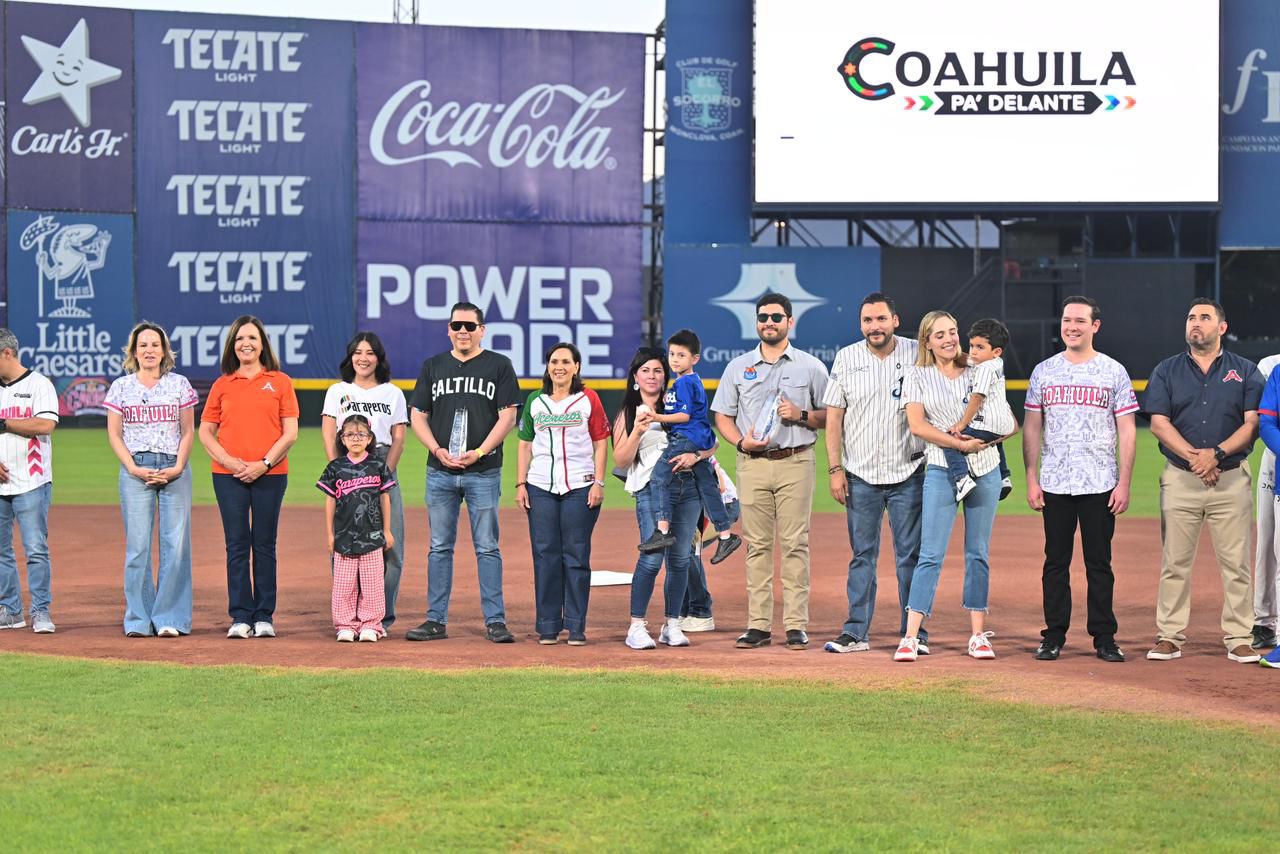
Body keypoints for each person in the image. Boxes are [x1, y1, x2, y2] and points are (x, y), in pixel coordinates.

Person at [1145, 299, 1264, 664]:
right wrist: (1198, 458)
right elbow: (1158, 423)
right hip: (1181, 478)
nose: (1195, 323)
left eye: (1204, 318)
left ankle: (1239, 637)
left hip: (1230, 479)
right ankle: (1169, 636)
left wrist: (1217, 453)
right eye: (1191, 317)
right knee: (1175, 563)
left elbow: (1252, 424)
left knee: (1237, 565)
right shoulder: (1166, 370)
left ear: (1221, 328)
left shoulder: (1245, 371)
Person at [712, 293, 829, 650]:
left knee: (795, 544)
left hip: (796, 461)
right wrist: (740, 442)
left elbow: (830, 416)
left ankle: (795, 625)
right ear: (757, 322)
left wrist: (801, 415)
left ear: (790, 321)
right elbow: (723, 416)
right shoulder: (738, 367)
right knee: (757, 546)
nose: (769, 323)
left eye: (776, 317)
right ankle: (758, 625)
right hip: (753, 464)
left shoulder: (811, 366)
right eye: (763, 317)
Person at [894, 311, 1012, 662]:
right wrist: (959, 443)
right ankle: (910, 637)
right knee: (930, 554)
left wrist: (981, 440)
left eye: (952, 331)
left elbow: (1008, 422)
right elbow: (918, 426)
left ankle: (977, 635)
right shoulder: (917, 375)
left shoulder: (980, 367)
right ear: (927, 342)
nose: (949, 339)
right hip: (942, 469)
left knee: (978, 552)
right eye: (940, 334)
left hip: (986, 468)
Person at [1023, 296, 1136, 663]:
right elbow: (1032, 426)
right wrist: (1031, 477)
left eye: (1079, 321)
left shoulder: (1113, 371)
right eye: (1067, 320)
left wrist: (1124, 482)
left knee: (1099, 564)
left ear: (1095, 326)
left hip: (1100, 481)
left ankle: (1104, 638)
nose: (1071, 327)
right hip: (1055, 481)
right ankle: (1053, 635)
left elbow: (1127, 429)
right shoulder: (1044, 371)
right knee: (1055, 562)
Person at [405, 302, 520, 644]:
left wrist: (481, 451)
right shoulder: (433, 366)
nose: (463, 331)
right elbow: (418, 414)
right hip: (440, 471)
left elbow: (509, 416)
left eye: (470, 326)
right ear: (449, 330)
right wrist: (436, 450)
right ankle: (435, 620)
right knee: (439, 546)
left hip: (483, 470)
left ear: (482, 330)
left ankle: (495, 621)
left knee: (487, 547)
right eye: (457, 325)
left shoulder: (498, 365)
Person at [822, 292, 925, 655]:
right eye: (867, 320)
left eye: (881, 319)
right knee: (862, 555)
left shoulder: (918, 353)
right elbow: (834, 417)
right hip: (860, 475)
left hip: (908, 471)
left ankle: (914, 634)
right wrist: (835, 469)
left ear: (895, 320)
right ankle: (855, 633)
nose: (874, 326)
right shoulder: (847, 357)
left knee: (909, 557)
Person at [198, 315, 299, 640]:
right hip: (228, 476)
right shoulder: (223, 384)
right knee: (237, 544)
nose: (246, 344)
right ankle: (241, 615)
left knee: (265, 544)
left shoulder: (280, 382)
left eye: (252, 338)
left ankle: (264, 615)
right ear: (232, 345)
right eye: (240, 338)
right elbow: (205, 431)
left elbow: (290, 433)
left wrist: (263, 464)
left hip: (271, 473)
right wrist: (230, 462)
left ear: (262, 344)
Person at [104, 322, 198, 638]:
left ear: (164, 350)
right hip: (136, 468)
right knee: (137, 547)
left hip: (173, 466)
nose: (149, 350)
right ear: (134, 351)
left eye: (155, 344)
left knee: (176, 545)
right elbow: (114, 434)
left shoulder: (179, 384)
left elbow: (188, 431)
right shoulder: (121, 387)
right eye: (143, 345)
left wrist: (179, 466)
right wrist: (132, 467)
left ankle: (170, 617)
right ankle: (139, 618)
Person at [515, 342, 609, 645]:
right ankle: (548, 624)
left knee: (576, 554)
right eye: (554, 361)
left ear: (576, 367)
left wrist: (598, 482)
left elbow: (600, 442)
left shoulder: (588, 398)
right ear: (547, 366)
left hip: (580, 485)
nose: (560, 367)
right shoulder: (535, 400)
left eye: (566, 362)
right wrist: (520, 484)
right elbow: (525, 444)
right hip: (540, 485)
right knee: (545, 554)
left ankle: (576, 625)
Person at [614, 347, 707, 649]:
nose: (652, 376)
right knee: (652, 558)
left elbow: (711, 441)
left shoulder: (679, 404)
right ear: (635, 377)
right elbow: (621, 460)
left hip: (687, 489)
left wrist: (696, 456)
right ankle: (636, 626)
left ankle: (672, 625)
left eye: (658, 370)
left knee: (680, 559)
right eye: (645, 371)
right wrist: (637, 432)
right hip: (651, 492)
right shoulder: (629, 412)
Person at [321, 332, 408, 635]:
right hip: (345, 465)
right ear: (350, 357)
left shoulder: (392, 393)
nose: (363, 358)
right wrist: (340, 470)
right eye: (358, 352)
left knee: (390, 546)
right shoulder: (338, 391)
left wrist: (381, 475)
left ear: (378, 358)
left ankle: (379, 619)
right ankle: (347, 618)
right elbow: (328, 432)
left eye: (370, 352)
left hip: (381, 463)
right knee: (344, 545)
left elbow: (398, 438)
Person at [639, 329, 742, 565]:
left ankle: (662, 531)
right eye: (672, 354)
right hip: (700, 437)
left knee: (658, 477)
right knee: (707, 486)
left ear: (694, 358)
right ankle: (725, 535)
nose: (675, 359)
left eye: (681, 355)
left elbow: (684, 417)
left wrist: (656, 417)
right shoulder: (689, 381)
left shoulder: (685, 382)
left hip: (686, 437)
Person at [317, 414, 396, 643]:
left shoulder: (377, 465)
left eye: (361, 434)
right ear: (342, 439)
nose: (356, 439)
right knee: (344, 585)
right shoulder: (336, 467)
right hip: (344, 536)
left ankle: (371, 624)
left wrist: (387, 530)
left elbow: (385, 497)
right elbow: (330, 500)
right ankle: (345, 625)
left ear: (370, 438)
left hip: (372, 535)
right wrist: (330, 534)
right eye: (350, 434)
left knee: (373, 584)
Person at [0, 329, 59, 634]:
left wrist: (4, 423)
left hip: (32, 480)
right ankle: (11, 611)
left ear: (7, 353)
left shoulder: (39, 385)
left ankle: (40, 611)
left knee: (35, 549)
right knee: (1, 550)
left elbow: (45, 424)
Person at [942, 318, 1015, 502]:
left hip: (987, 422)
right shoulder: (996, 362)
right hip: (1003, 424)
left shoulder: (984, 368)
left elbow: (977, 397)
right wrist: (952, 353)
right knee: (995, 440)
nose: (974, 351)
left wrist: (962, 424)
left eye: (980, 347)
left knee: (949, 439)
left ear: (996, 351)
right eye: (972, 345)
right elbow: (967, 358)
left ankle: (962, 478)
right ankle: (1004, 475)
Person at [680, 457, 741, 633]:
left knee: (687, 550)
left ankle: (701, 612)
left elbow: (718, 485)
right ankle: (683, 611)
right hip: (699, 505)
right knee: (679, 551)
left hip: (720, 507)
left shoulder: (691, 448)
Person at [1253, 353, 1280, 653]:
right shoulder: (1270, 365)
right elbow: (1263, 419)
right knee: (1268, 540)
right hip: (1274, 460)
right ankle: (1264, 621)